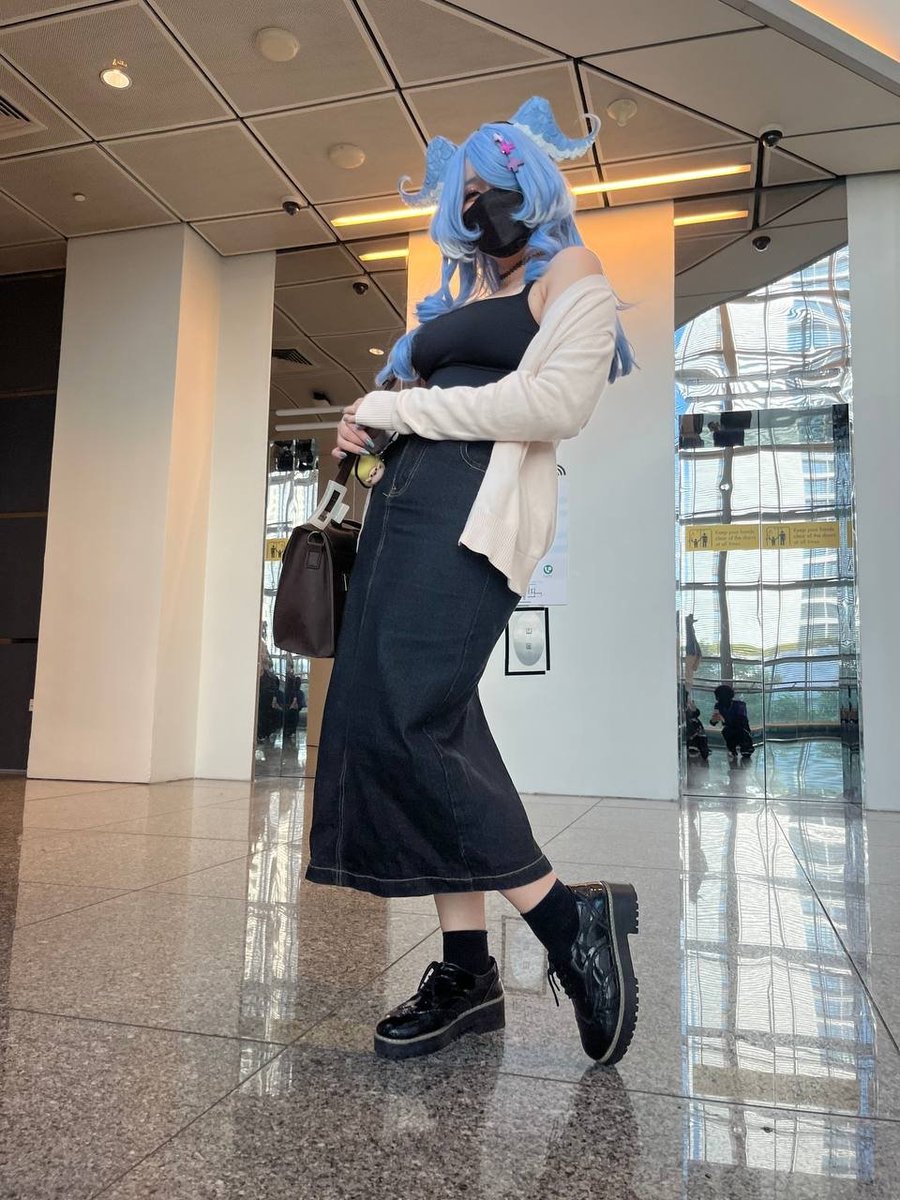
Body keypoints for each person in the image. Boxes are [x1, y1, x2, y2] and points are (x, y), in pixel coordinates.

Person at [306, 96, 640, 1065]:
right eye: (465, 197)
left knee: (406, 720)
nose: (479, 208)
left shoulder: (574, 274)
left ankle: (568, 920)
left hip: (468, 505)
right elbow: (412, 404)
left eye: (495, 189)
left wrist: (405, 413)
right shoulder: (457, 300)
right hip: (405, 503)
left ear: (535, 186)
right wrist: (368, 420)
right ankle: (467, 971)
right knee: (422, 719)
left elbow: (555, 402)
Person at [710, 684, 754, 763]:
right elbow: (713, 722)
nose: (716, 699)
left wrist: (723, 719)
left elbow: (740, 723)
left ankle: (745, 746)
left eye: (718, 696)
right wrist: (714, 720)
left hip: (742, 731)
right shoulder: (718, 706)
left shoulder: (740, 705)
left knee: (746, 753)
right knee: (726, 731)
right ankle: (732, 748)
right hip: (730, 730)